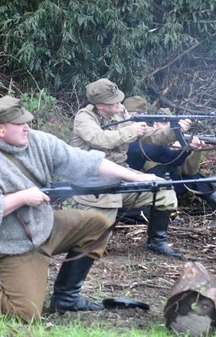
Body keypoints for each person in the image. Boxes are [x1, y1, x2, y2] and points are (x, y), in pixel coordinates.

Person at [0, 96, 163, 322]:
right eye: (19, 124)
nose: (27, 128)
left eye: (27, 122)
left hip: (45, 226)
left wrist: (139, 177)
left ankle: (66, 297)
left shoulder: (39, 142)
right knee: (25, 313)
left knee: (97, 225)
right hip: (11, 243)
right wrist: (22, 197)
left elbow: (87, 161)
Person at [70, 78, 194, 257]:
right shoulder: (84, 117)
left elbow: (150, 136)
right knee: (91, 249)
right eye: (114, 102)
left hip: (121, 171)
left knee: (162, 189)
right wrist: (131, 131)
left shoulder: (121, 113)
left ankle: (156, 242)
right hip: (94, 179)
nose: (120, 104)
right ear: (100, 105)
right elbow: (99, 139)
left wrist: (175, 130)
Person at [122, 97, 216, 218]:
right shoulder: (138, 138)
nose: (141, 120)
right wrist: (181, 148)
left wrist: (193, 150)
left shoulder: (150, 135)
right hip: (138, 189)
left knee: (192, 177)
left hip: (159, 186)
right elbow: (164, 157)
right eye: (136, 115)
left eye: (143, 115)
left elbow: (189, 172)